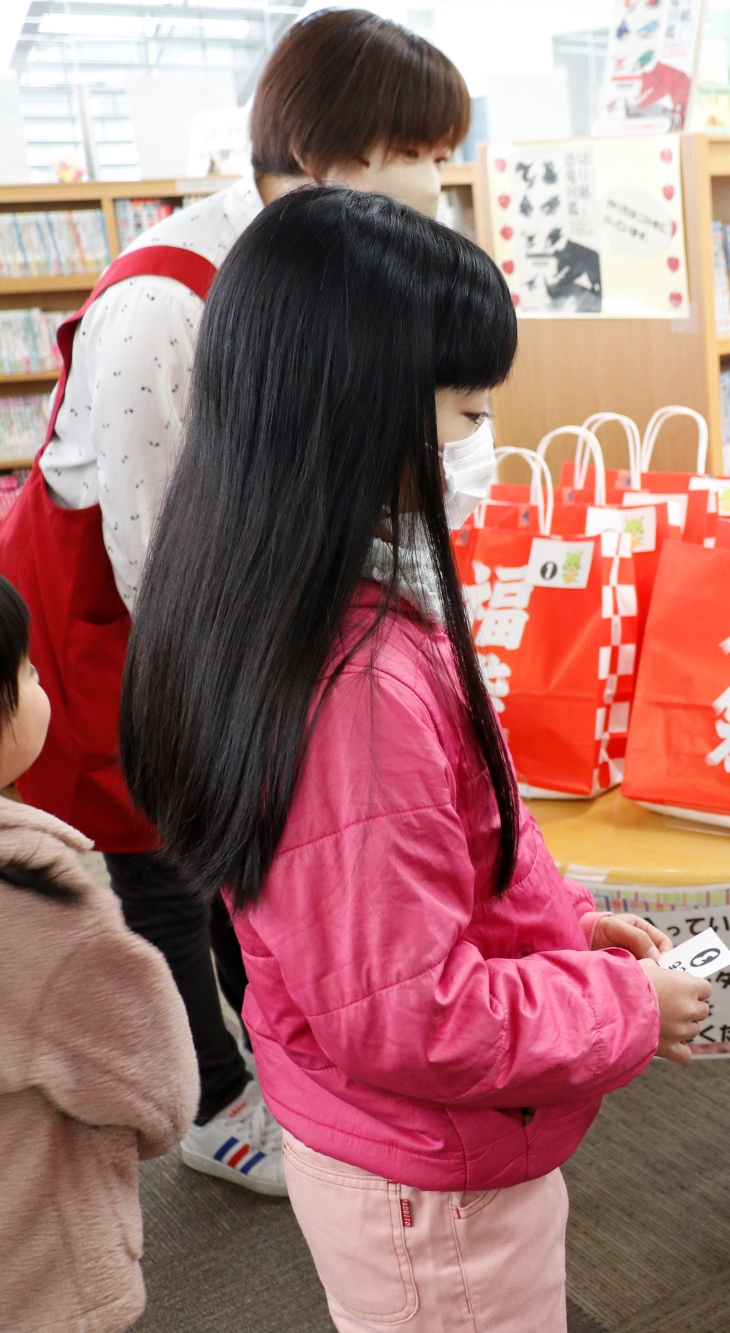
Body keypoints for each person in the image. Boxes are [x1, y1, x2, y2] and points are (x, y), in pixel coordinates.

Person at [119, 186, 712, 1333]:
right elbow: (413, 1014)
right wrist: (625, 1006)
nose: (477, 445)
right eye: (464, 411)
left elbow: (385, 916)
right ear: (360, 415)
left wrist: (556, 934)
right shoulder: (361, 688)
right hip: (428, 1181)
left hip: (377, 1140)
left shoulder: (262, 594)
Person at [0, 8, 476, 1197]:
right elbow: (162, 551)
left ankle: (276, 1051)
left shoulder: (334, 261)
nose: (438, 179)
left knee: (236, 847)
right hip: (112, 620)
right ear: (333, 156)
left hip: (232, 599)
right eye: (420, 151)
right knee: (157, 858)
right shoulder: (164, 301)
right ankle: (213, 1101)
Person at [0, 572, 198, 1333]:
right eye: (23, 667)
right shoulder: (38, 910)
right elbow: (158, 1090)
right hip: (39, 1282)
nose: (37, 675)